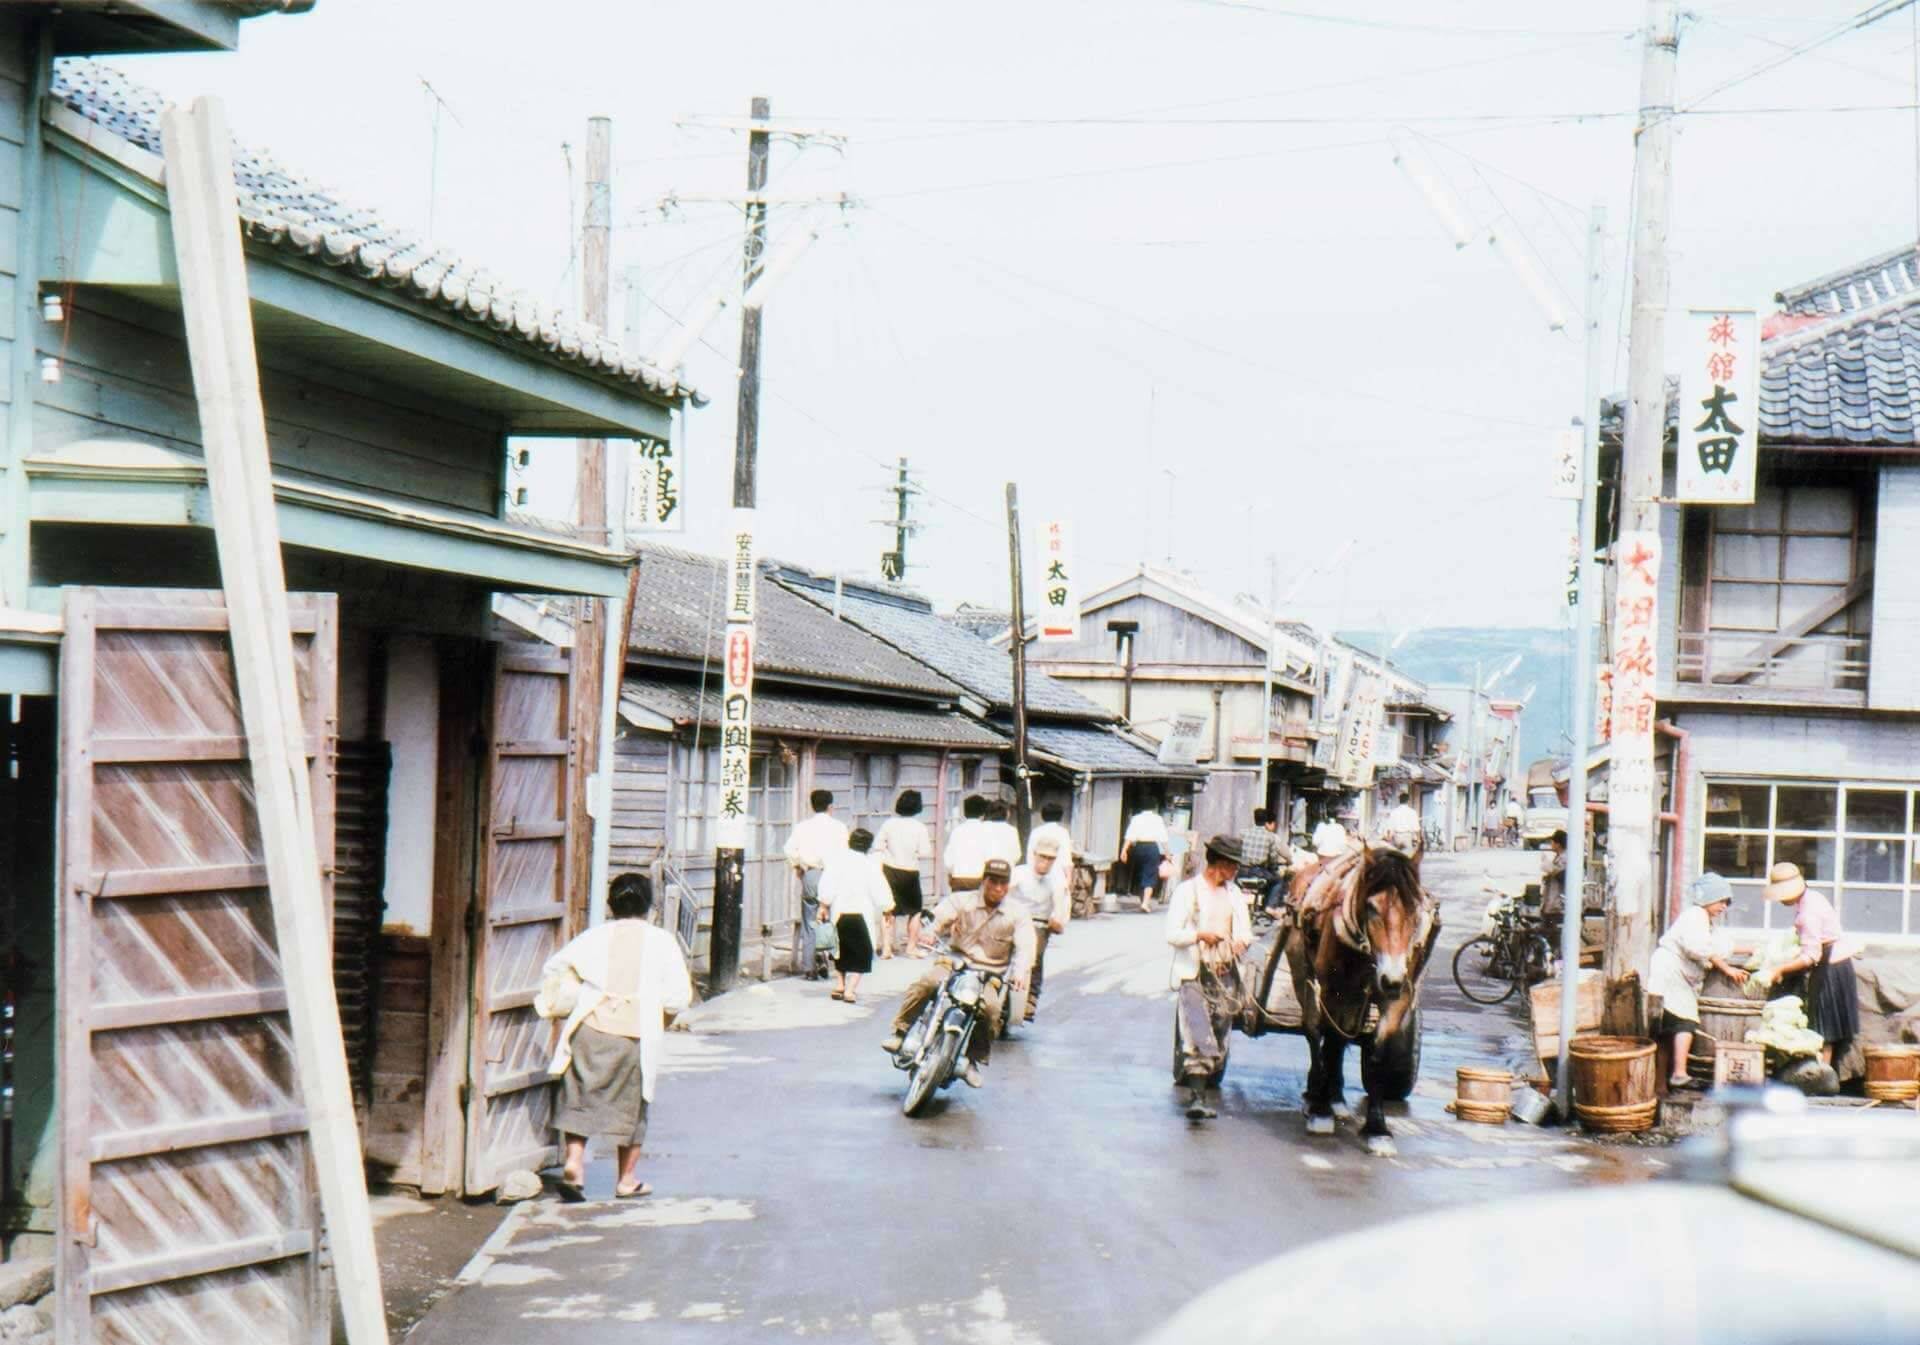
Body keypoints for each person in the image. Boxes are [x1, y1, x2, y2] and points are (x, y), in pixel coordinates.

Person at [539, 872, 692, 1202]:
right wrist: (662, 1015)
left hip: (590, 1027)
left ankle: (575, 1164)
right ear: (650, 906)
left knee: (579, 1097)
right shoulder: (661, 941)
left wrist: (571, 998)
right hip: (634, 1034)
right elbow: (678, 996)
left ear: (611, 905)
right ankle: (626, 1179)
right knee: (634, 1108)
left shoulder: (594, 937)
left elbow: (556, 969)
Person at [882, 859, 1035, 1087]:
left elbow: (1026, 945)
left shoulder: (1017, 913)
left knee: (991, 1010)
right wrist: (930, 932)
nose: (998, 887)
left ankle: (973, 1059)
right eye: (993, 881)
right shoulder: (963, 901)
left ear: (1009, 885)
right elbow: (939, 916)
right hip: (954, 962)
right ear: (984, 881)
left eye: (1003, 882)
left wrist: (1021, 971)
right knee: (927, 983)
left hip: (988, 974)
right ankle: (901, 1032)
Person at [1167, 835, 1251, 1121]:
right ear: (1220, 864)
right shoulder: (1187, 892)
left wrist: (1240, 942)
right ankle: (1197, 1099)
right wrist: (1199, 935)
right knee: (1198, 1034)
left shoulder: (1234, 894)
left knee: (1219, 1034)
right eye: (1233, 865)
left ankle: (1205, 1085)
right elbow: (1172, 934)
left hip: (1225, 974)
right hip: (1195, 973)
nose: (1236, 871)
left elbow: (1245, 931)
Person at [1648, 872, 1748, 1091]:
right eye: (1721, 901)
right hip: (1671, 973)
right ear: (1708, 898)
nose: (1724, 907)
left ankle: (1660, 1086)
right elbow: (1699, 948)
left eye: (1726, 902)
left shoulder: (1707, 922)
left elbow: (1721, 946)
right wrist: (1727, 969)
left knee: (1667, 1031)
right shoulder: (1695, 915)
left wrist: (1754, 950)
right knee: (1685, 1020)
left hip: (1676, 975)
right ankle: (1679, 1073)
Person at [1755, 861, 1861, 1068]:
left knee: (1823, 1023)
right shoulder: (1814, 897)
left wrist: (1779, 969)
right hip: (1839, 962)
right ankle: (1825, 1069)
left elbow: (1811, 956)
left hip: (1829, 964)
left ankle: (1823, 1071)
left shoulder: (1807, 914)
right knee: (1827, 1022)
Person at [818, 828, 893, 1005]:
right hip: (862, 914)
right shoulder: (870, 865)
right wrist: (887, 909)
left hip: (839, 912)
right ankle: (850, 990)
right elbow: (880, 891)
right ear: (868, 846)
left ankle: (839, 984)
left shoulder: (836, 862)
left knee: (839, 950)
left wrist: (823, 904)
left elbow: (827, 886)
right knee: (862, 954)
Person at [784, 789, 850, 980]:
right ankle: (829, 958)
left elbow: (789, 849)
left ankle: (810, 966)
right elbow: (844, 854)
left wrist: (798, 865)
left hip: (811, 873)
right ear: (831, 807)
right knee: (831, 918)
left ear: (812, 806)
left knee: (810, 920)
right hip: (834, 874)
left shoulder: (802, 827)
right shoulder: (839, 827)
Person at [1006, 835, 1071, 1024]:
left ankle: (1030, 1001)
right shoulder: (1019, 873)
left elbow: (1060, 906)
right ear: (1034, 855)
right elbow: (1004, 892)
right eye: (1042, 856)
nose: (1045, 862)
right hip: (1013, 920)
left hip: (1039, 924)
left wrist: (1057, 921)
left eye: (1050, 858)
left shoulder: (1057, 880)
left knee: (1035, 958)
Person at [874, 790, 934, 959]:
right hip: (910, 871)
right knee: (915, 911)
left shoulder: (889, 824)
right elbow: (925, 852)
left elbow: (878, 845)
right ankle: (911, 947)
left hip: (890, 869)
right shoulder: (919, 827)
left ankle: (886, 948)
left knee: (889, 910)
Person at [1236, 807, 1289, 910]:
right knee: (1277, 881)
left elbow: (1237, 851)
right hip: (1258, 872)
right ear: (1265, 821)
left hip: (1242, 871)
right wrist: (1274, 869)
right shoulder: (1270, 837)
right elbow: (1273, 859)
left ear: (1254, 819)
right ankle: (1269, 907)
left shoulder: (1243, 833)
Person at [1123, 805, 1171, 914]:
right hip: (1152, 848)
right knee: (1149, 874)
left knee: (1140, 874)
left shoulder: (1136, 818)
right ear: (1154, 807)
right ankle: (1145, 903)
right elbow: (1163, 838)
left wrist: (1124, 850)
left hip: (1138, 847)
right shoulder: (1157, 819)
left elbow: (1129, 836)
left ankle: (1142, 901)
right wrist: (1167, 853)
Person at [945, 794, 992, 893]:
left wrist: (951, 874)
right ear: (983, 814)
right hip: (979, 879)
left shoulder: (957, 831)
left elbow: (948, 860)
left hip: (959, 879)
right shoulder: (986, 831)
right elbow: (990, 857)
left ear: (964, 813)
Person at [1026, 801, 1074, 894]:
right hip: (1058, 877)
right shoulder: (1063, 832)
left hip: (1037, 877)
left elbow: (1030, 856)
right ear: (1060, 816)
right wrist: (1069, 879)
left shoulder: (1036, 832)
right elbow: (1066, 859)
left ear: (1043, 816)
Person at [1539, 829, 1570, 927]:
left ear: (1558, 844)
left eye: (1552, 842)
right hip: (1551, 902)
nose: (1551, 845)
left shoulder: (1565, 858)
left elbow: (1562, 876)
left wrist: (1549, 867)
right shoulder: (1558, 857)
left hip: (1558, 904)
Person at [983, 800, 1023, 868]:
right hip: (1006, 870)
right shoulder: (1012, 830)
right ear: (1007, 814)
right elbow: (1017, 855)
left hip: (986, 871)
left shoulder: (983, 827)